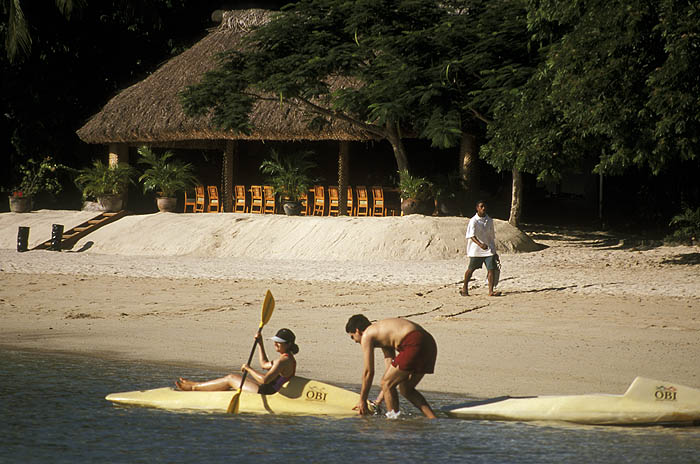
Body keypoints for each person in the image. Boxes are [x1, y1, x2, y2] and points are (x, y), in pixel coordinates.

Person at [346, 314, 437, 419]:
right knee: (406, 389)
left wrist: (362, 400)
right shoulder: (383, 335)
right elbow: (389, 373)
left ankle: (393, 423)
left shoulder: (367, 334)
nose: (355, 341)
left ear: (357, 331)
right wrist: (377, 402)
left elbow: (368, 372)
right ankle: (433, 419)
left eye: (352, 337)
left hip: (414, 341)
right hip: (429, 343)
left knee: (387, 383)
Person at [175, 328, 298, 395]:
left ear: (288, 344)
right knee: (233, 378)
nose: (275, 343)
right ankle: (195, 384)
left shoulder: (283, 360)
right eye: (275, 340)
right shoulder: (286, 358)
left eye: (279, 342)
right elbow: (264, 364)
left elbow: (265, 380)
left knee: (230, 378)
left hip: (266, 391)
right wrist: (260, 343)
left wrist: (249, 369)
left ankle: (193, 388)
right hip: (266, 388)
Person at [460, 200, 500, 297]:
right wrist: (480, 244)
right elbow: (471, 236)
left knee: (491, 269)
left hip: (488, 249)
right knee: (471, 269)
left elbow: (491, 237)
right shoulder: (473, 220)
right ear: (477, 208)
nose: (483, 208)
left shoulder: (489, 220)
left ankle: (491, 291)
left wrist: (494, 251)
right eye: (481, 206)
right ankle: (464, 287)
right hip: (476, 250)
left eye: (484, 206)